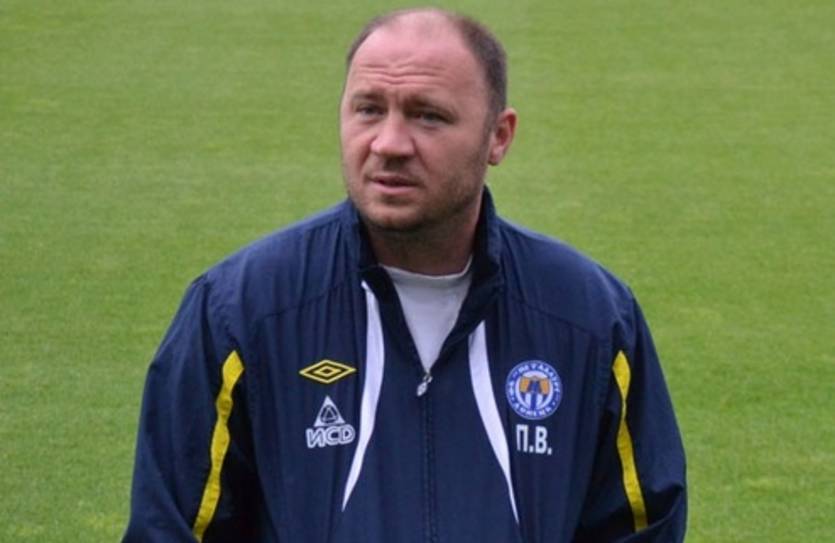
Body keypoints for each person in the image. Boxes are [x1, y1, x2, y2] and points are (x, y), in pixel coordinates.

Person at [124, 7, 687, 542]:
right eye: (368, 109)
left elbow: (641, 527)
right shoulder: (239, 312)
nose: (389, 144)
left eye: (428, 115)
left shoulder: (589, 317)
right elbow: (172, 528)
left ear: (499, 136)